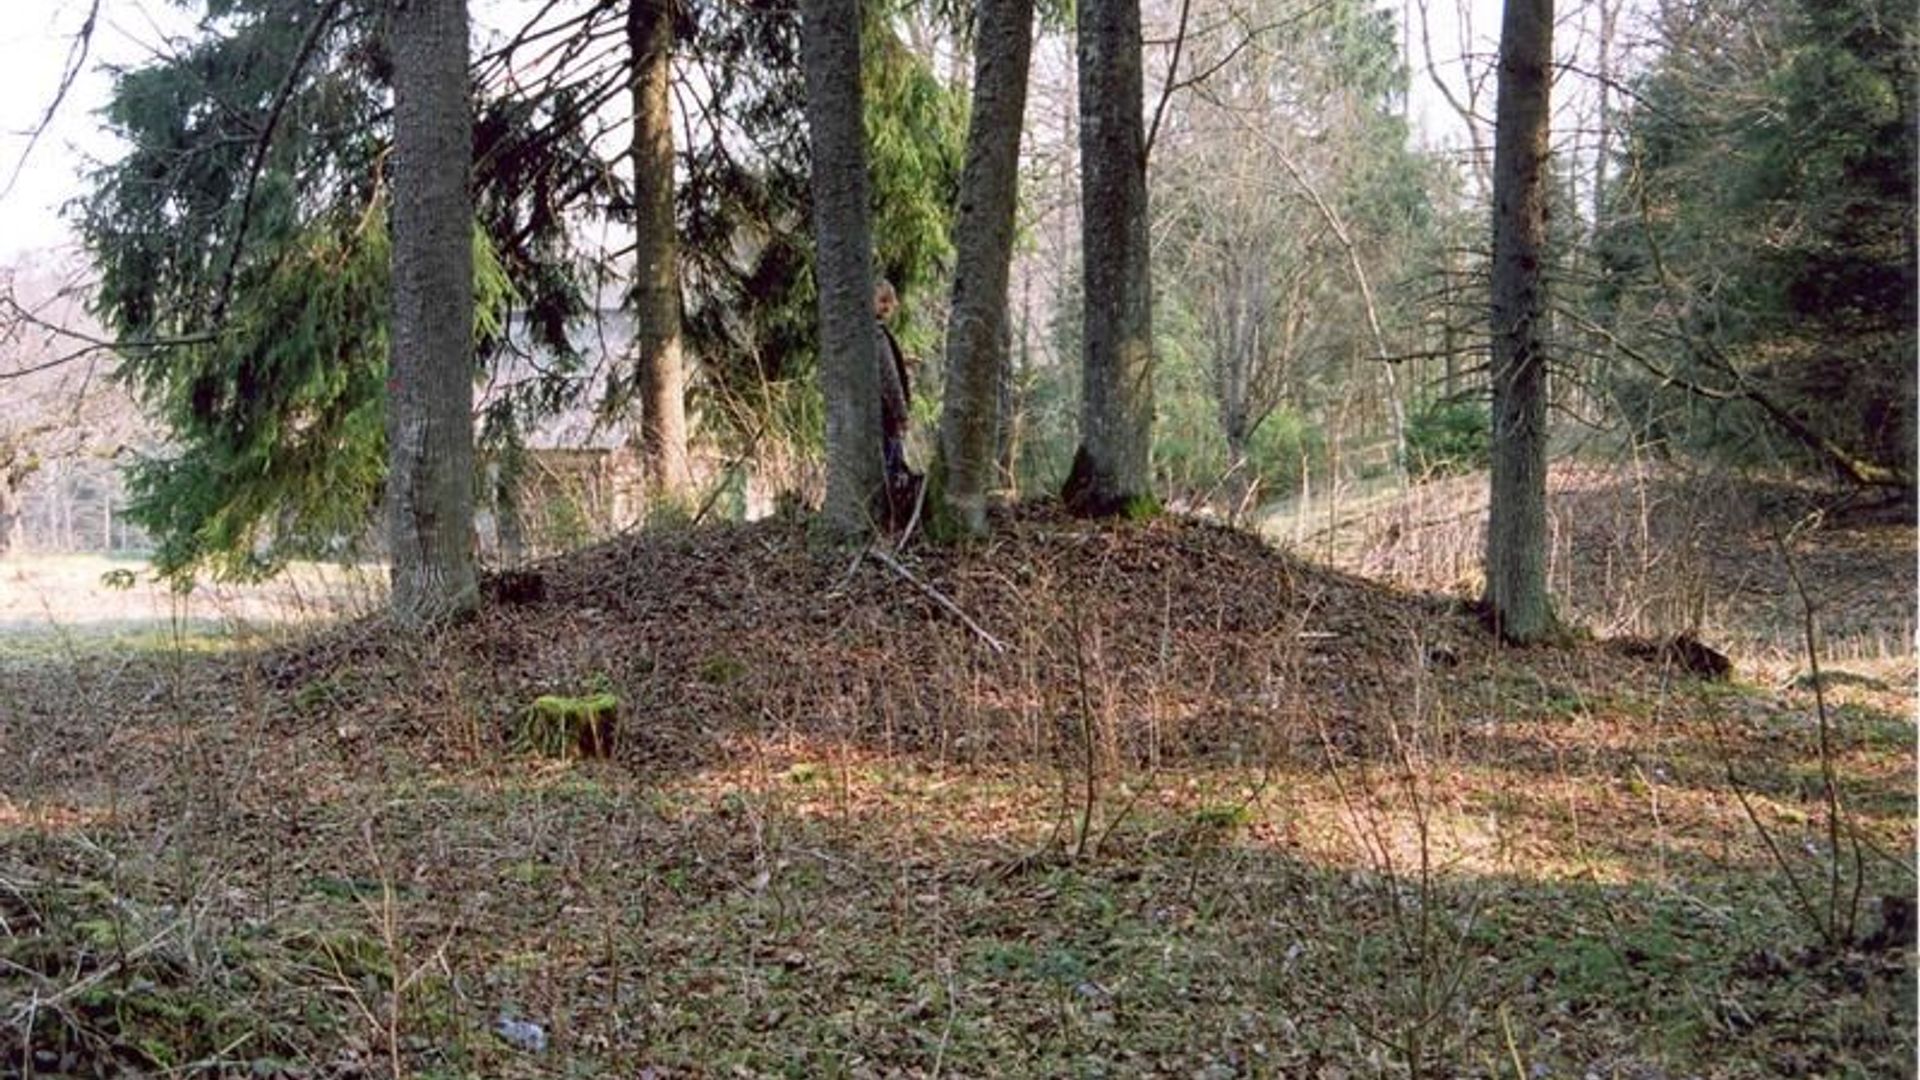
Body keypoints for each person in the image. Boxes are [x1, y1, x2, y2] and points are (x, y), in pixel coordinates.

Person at [874, 279, 913, 481]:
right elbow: (889, 379)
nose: (887, 306)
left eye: (890, 301)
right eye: (882, 300)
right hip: (886, 416)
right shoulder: (877, 335)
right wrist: (902, 414)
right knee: (892, 473)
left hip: (880, 416)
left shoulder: (872, 334)